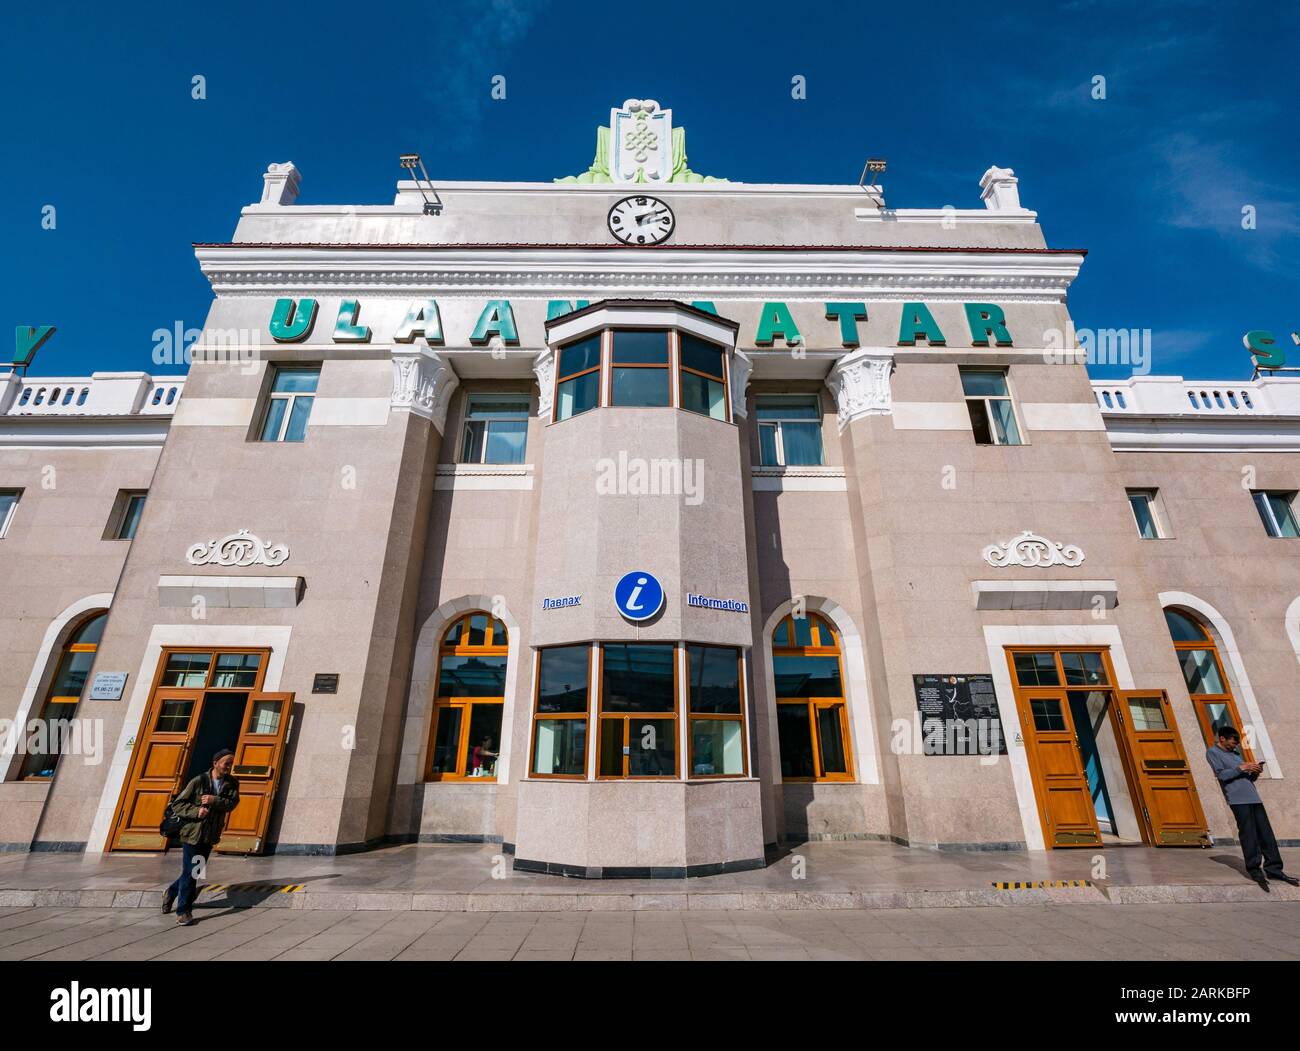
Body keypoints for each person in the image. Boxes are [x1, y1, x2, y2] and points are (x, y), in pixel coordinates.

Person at [1205, 725, 1298, 891]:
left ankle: (1274, 869)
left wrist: (1254, 771)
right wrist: (1241, 767)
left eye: (1235, 744)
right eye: (1231, 743)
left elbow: (1246, 778)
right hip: (1237, 800)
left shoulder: (1235, 753)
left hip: (1254, 797)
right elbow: (1222, 775)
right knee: (1249, 835)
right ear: (1222, 739)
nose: (1234, 747)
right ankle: (1254, 870)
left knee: (1266, 834)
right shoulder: (1212, 752)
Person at [162, 748, 240, 925]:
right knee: (192, 872)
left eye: (231, 763)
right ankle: (184, 911)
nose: (229, 766)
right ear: (216, 763)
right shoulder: (199, 781)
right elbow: (178, 805)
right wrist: (197, 811)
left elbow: (232, 804)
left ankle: (171, 892)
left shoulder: (232, 783)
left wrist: (214, 801)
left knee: (195, 871)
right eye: (226, 763)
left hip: (210, 835)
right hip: (193, 834)